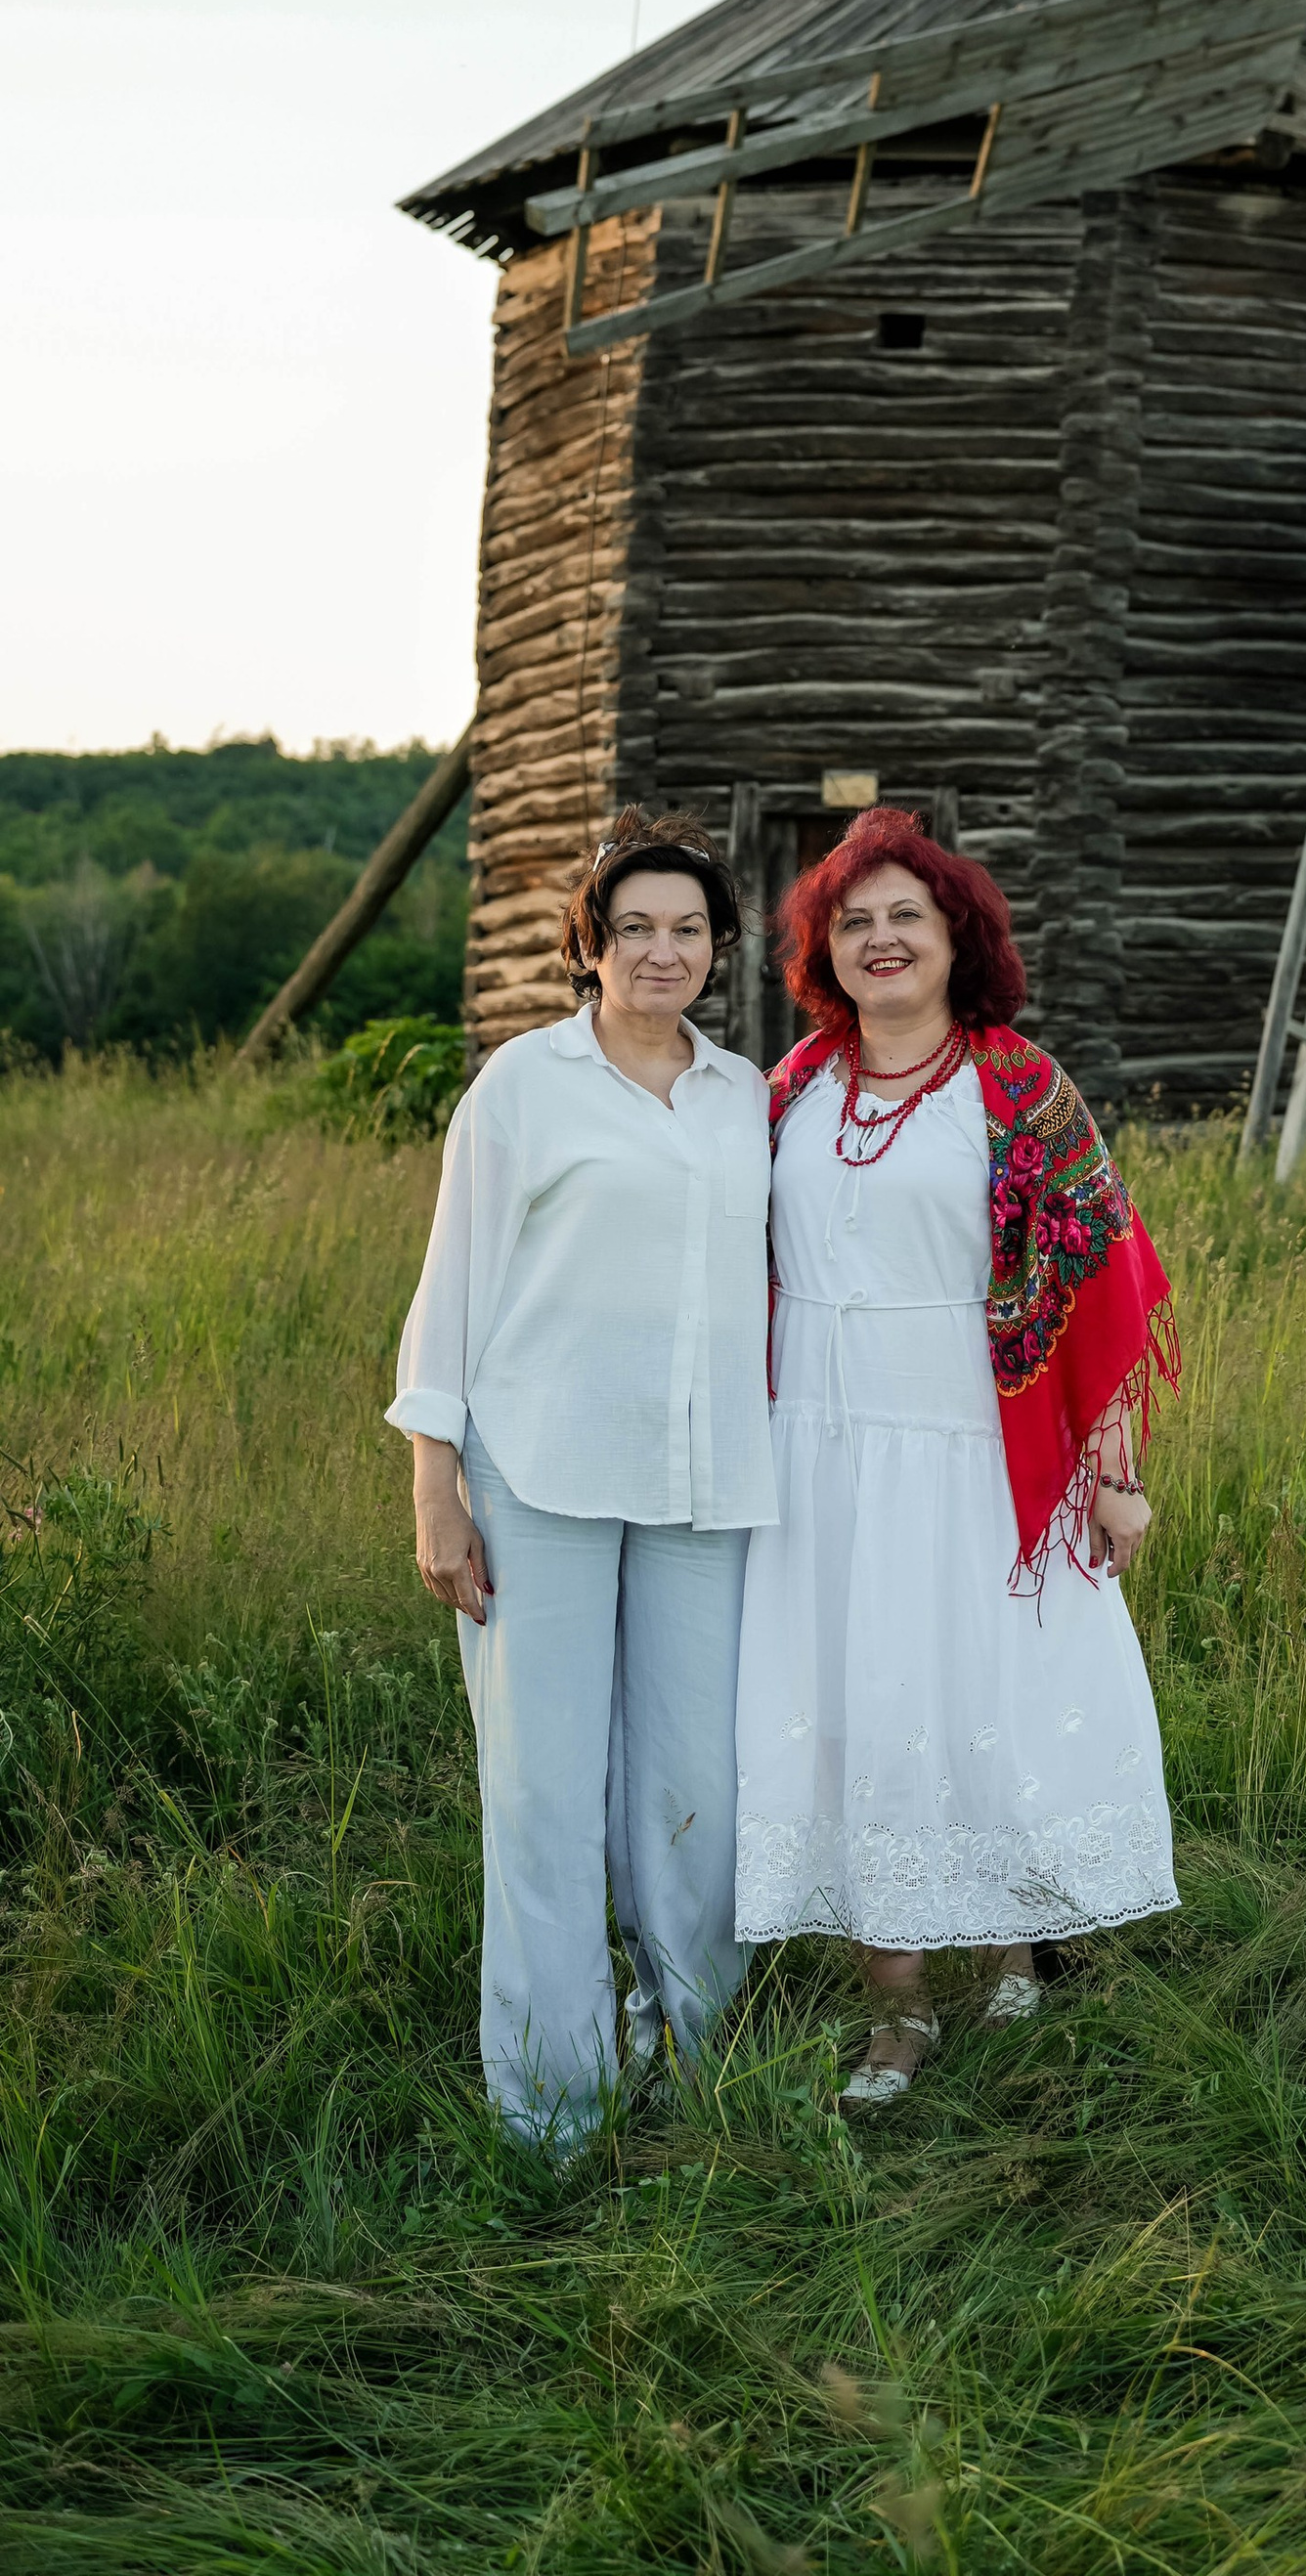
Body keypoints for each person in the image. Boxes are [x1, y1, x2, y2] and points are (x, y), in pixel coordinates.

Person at [734, 805, 1178, 2106]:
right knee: (864, 1707)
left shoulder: (1018, 1086)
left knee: (978, 1700)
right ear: (825, 950)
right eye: (852, 923)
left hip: (977, 1442)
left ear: (954, 937)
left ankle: (1010, 1952)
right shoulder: (793, 1089)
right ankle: (897, 2009)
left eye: (904, 919)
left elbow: (1101, 1275)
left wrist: (1110, 1464)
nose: (880, 941)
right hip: (817, 1442)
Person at [386, 808, 774, 2143]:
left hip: (703, 1477)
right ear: (590, 947)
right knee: (544, 1791)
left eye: (687, 930)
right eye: (635, 929)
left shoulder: (748, 1102)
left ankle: (699, 2060)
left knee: (698, 1787)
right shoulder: (521, 1087)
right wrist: (437, 1484)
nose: (661, 951)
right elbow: (454, 1288)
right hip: (535, 1470)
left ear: (718, 951)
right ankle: (551, 2107)